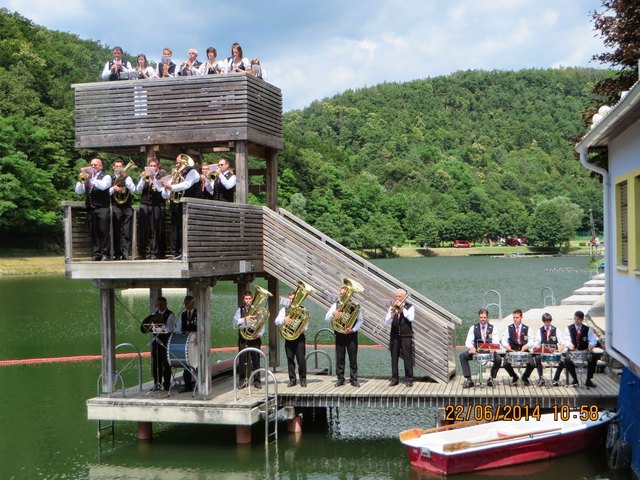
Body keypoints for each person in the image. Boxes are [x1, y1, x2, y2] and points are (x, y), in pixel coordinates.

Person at [161, 154, 201, 260]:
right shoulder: (177, 174)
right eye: (176, 162)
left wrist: (172, 187)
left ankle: (184, 252)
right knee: (175, 229)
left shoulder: (193, 172)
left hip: (189, 206)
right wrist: (165, 187)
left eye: (179, 163)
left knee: (184, 229)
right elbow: (165, 194)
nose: (177, 165)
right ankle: (175, 252)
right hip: (176, 205)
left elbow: (187, 185)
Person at [325, 285, 363, 387]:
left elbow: (360, 321)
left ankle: (354, 379)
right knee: (340, 358)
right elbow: (326, 318)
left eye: (344, 294)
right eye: (341, 294)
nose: (342, 296)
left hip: (351, 335)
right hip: (339, 334)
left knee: (353, 358)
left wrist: (353, 329)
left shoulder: (355, 306)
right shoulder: (335, 305)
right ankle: (340, 378)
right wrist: (334, 313)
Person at [75, 158, 112, 261]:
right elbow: (78, 191)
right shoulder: (88, 177)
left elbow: (103, 186)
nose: (93, 166)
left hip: (102, 208)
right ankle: (97, 253)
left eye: (95, 165)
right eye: (91, 165)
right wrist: (82, 180)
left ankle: (105, 253)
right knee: (93, 231)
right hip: (91, 208)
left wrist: (92, 179)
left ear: (101, 166)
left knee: (103, 231)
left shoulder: (106, 176)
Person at [459, 308, 501, 388]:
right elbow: (468, 341)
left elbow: (496, 342)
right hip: (476, 352)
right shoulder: (473, 328)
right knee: (462, 356)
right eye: (481, 317)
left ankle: (491, 378)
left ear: (487, 317)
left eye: (484, 317)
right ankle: (469, 379)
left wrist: (493, 348)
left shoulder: (493, 328)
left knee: (498, 359)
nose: (483, 319)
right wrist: (471, 348)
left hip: (489, 352)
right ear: (479, 317)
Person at [555, 310, 599, 387]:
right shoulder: (569, 328)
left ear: (582, 319)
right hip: (572, 351)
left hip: (584, 351)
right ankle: (575, 379)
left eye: (578, 319)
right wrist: (569, 344)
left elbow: (593, 340)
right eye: (575, 318)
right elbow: (565, 339)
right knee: (566, 360)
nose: (576, 320)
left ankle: (588, 380)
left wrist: (591, 344)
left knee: (594, 357)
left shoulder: (587, 329)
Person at [522, 312, 564, 387]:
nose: (547, 323)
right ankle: (541, 378)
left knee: (563, 361)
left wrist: (559, 349)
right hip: (543, 353)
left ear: (551, 321)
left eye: (548, 321)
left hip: (553, 352)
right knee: (537, 358)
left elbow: (562, 343)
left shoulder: (556, 330)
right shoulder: (540, 330)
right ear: (543, 321)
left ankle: (556, 379)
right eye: (545, 321)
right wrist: (536, 347)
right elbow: (537, 342)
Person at [275, 291, 308, 387]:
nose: (291, 300)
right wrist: (284, 319)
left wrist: (303, 329)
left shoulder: (302, 309)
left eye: (293, 298)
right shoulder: (284, 310)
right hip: (288, 337)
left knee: (301, 359)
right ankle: (292, 380)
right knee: (290, 359)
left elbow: (306, 323)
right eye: (290, 299)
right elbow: (276, 321)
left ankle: (303, 379)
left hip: (299, 337)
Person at [136, 158, 166, 259]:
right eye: (151, 166)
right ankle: (142, 253)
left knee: (155, 229)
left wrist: (153, 179)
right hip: (144, 204)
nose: (152, 168)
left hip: (156, 205)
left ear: (158, 167)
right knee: (143, 229)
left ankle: (154, 253)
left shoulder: (161, 176)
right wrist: (143, 178)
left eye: (154, 166)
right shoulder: (145, 176)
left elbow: (161, 190)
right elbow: (138, 189)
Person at [385, 288, 415, 387]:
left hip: (406, 335)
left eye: (399, 296)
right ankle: (394, 379)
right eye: (396, 296)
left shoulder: (410, 307)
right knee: (394, 357)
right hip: (394, 336)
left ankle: (409, 379)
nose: (397, 298)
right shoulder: (392, 307)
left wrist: (403, 309)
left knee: (407, 357)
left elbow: (411, 318)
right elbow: (387, 321)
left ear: (403, 297)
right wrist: (392, 315)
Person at [233, 291, 263, 389]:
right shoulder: (240, 310)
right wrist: (245, 319)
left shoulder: (258, 310)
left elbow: (262, 324)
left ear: (252, 299)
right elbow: (234, 322)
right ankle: (242, 381)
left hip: (255, 338)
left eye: (249, 299)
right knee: (242, 360)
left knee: (256, 360)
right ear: (243, 300)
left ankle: (257, 381)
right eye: (246, 299)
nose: (248, 301)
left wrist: (259, 334)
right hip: (243, 338)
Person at [109, 159, 136, 260]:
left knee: (127, 231)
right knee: (116, 231)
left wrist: (126, 179)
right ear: (113, 167)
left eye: (120, 166)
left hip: (127, 207)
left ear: (123, 167)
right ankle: (117, 253)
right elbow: (106, 193)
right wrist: (114, 188)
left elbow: (134, 189)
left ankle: (125, 253)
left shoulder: (127, 178)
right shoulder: (110, 178)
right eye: (116, 166)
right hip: (116, 206)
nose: (118, 168)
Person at [499, 309, 532, 386]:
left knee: (532, 364)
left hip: (524, 350)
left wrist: (526, 346)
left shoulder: (527, 328)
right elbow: (503, 339)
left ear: (521, 317)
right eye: (514, 317)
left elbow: (532, 341)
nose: (515, 319)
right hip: (512, 349)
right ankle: (514, 376)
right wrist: (506, 345)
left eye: (517, 317)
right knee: (505, 364)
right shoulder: (508, 328)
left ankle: (525, 377)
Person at [149, 296, 175, 391]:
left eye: (160, 304)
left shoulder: (170, 315)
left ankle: (167, 384)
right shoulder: (154, 314)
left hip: (166, 342)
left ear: (165, 304)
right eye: (157, 304)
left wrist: (159, 327)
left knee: (166, 363)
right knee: (156, 363)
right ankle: (157, 383)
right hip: (156, 342)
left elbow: (169, 329)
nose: (159, 306)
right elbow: (150, 327)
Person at [175, 295, 197, 392]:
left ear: (193, 303)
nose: (187, 305)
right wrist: (180, 336)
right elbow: (178, 329)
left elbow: (201, 327)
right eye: (186, 304)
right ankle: (187, 385)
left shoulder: (198, 314)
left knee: (197, 364)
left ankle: (199, 384)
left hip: (196, 343)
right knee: (186, 364)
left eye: (189, 303)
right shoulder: (183, 315)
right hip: (186, 343)